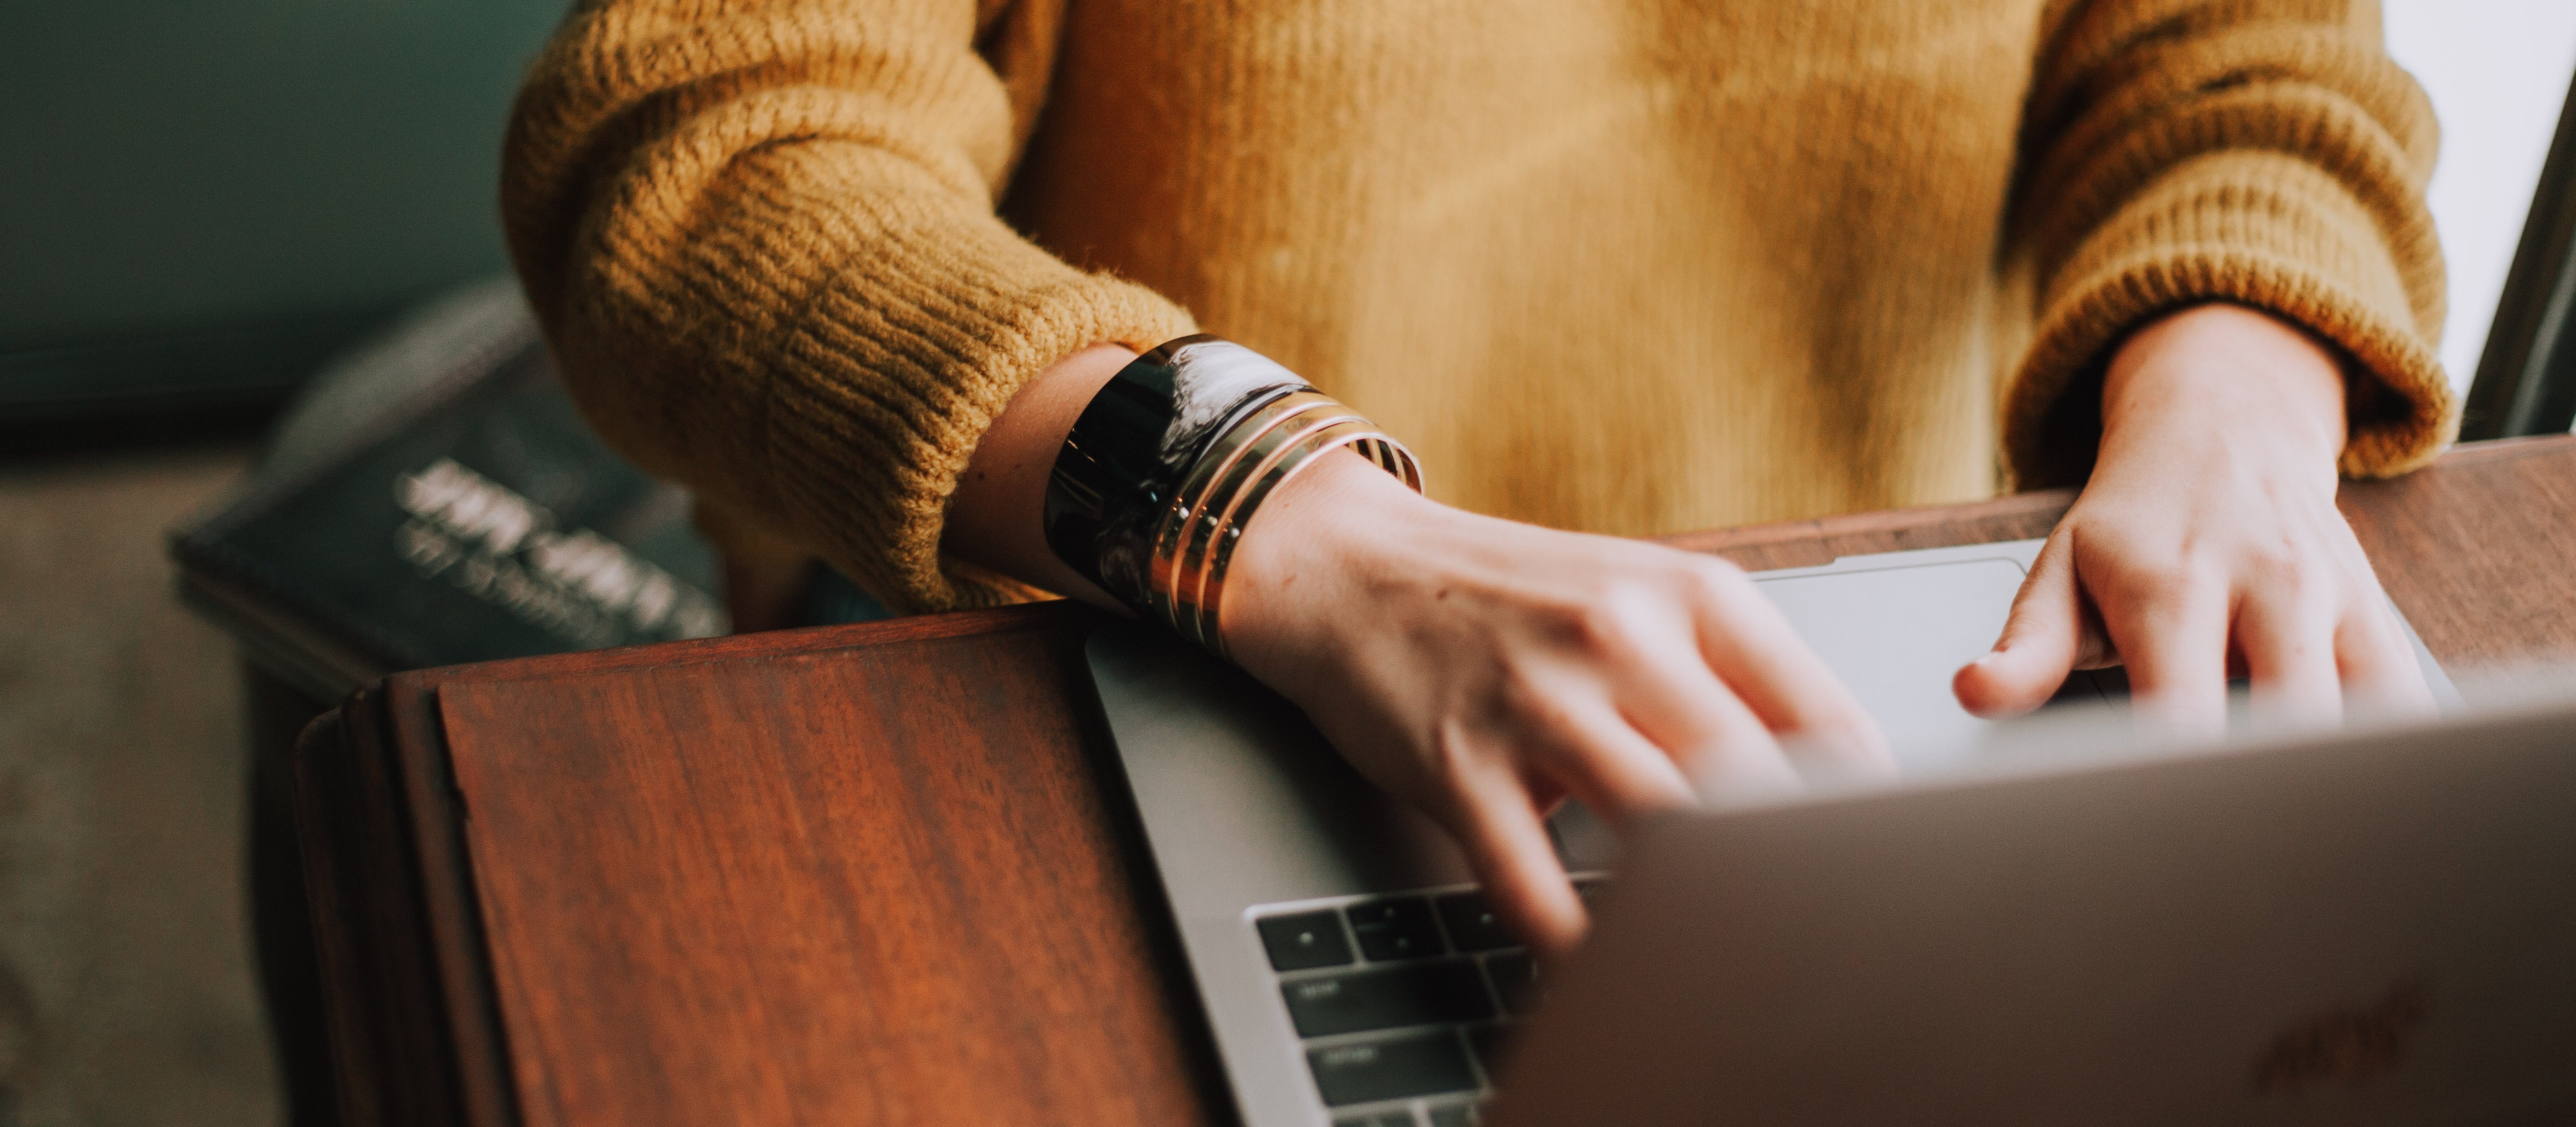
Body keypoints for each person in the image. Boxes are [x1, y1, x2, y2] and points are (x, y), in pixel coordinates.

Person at [502, 0, 2455, 957]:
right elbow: (703, 155)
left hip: (1845, 709)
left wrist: (2236, 389)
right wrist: (1285, 514)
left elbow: (2246, 58)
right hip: (1122, 662)